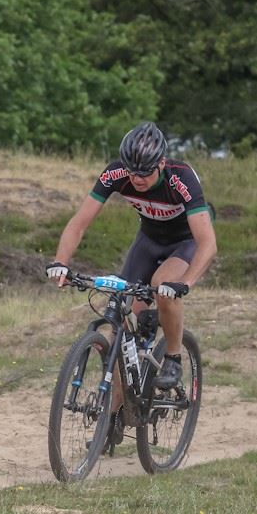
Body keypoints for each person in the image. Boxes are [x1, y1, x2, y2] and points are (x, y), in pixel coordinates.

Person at [46, 121, 216, 390]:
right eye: (132, 171)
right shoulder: (115, 174)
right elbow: (79, 223)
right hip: (149, 240)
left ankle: (173, 357)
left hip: (185, 242)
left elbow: (207, 243)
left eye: (145, 172)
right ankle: (116, 413)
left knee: (163, 286)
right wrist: (61, 262)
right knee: (120, 333)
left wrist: (185, 283)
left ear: (161, 163)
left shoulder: (181, 179)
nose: (137, 179)